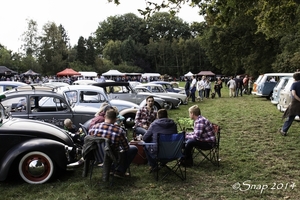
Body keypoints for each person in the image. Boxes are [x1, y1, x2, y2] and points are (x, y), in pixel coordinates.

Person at [88, 109, 138, 178]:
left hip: (96, 156)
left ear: (105, 116)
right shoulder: (118, 131)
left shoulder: (94, 128)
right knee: (133, 149)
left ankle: (111, 168)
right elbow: (126, 148)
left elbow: (89, 141)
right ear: (115, 119)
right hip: (112, 157)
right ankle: (119, 171)